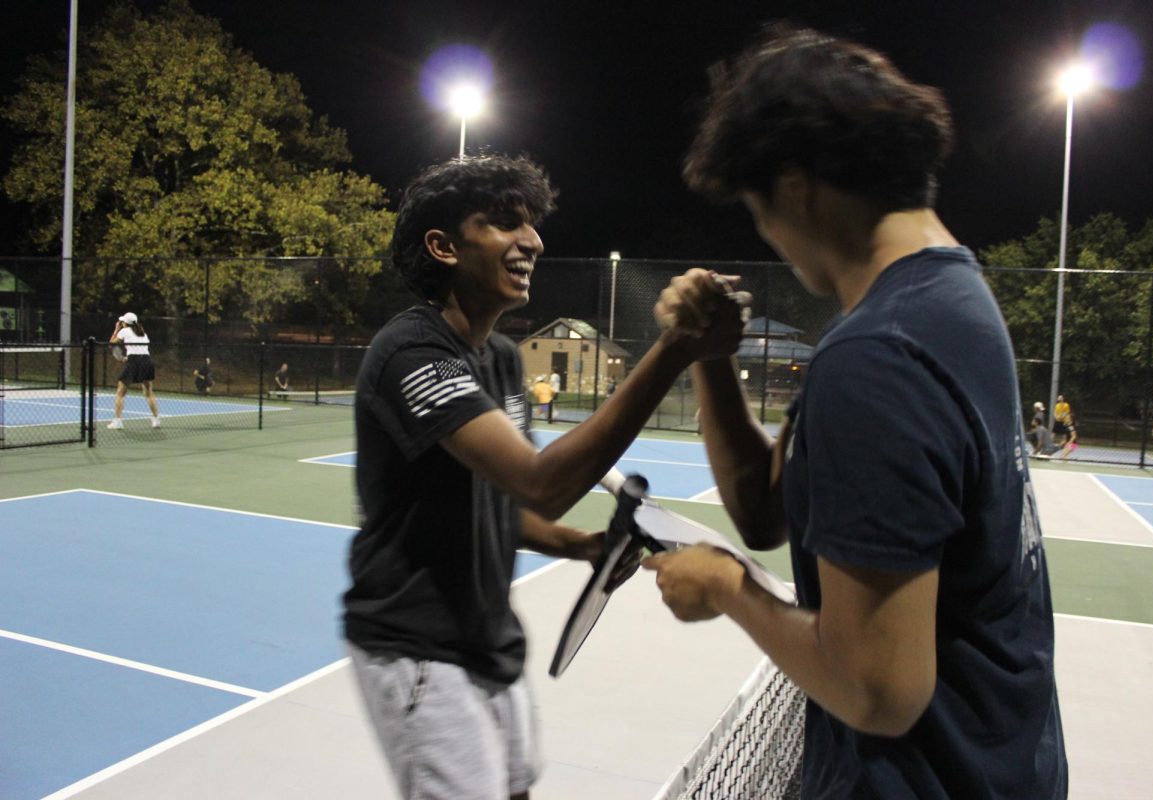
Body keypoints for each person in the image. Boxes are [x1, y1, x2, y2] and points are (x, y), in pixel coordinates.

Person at [642, 27, 1066, 799]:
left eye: (757, 206)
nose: (767, 234)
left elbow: (879, 690)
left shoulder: (877, 357)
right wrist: (710, 355)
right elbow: (767, 513)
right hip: (1006, 766)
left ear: (797, 186)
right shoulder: (950, 303)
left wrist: (730, 588)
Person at [343, 154, 744, 800]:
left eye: (531, 224)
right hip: (416, 644)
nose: (533, 240)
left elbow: (499, 503)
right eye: (505, 223)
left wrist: (581, 546)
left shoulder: (499, 361)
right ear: (443, 247)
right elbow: (538, 482)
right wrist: (674, 348)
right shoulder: (410, 352)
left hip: (489, 638)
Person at [107, 312, 161, 429]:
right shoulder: (142, 332)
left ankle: (117, 422)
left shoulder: (124, 331)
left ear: (125, 323)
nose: (121, 323)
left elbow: (111, 343)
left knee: (120, 393)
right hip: (147, 361)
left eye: (123, 322)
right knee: (148, 393)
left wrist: (116, 329)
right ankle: (156, 419)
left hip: (134, 361)